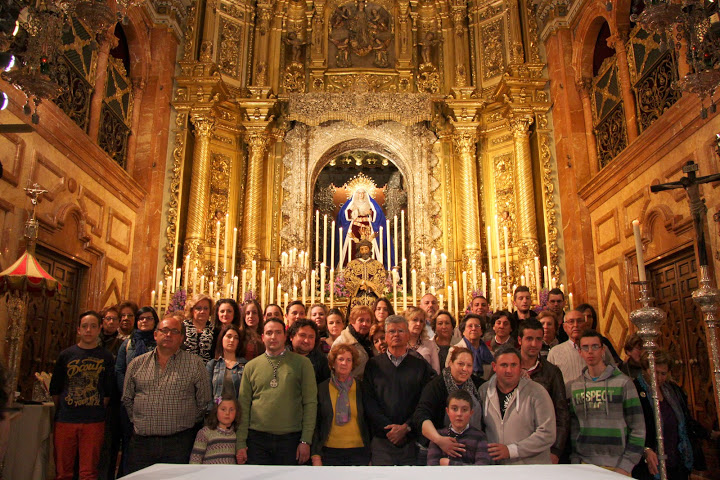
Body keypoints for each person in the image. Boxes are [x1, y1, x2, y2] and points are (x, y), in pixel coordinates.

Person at [122, 315, 212, 473]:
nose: (169, 335)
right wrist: (141, 421)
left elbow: (203, 401)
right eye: (164, 330)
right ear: (155, 334)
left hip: (179, 443)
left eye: (174, 331)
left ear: (182, 338)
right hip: (142, 443)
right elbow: (128, 399)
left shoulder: (195, 364)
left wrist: (186, 420)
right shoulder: (137, 364)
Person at [236, 318, 318, 465]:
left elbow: (310, 403)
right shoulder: (251, 366)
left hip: (291, 439)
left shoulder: (302, 364)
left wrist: (306, 440)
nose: (273, 337)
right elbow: (243, 405)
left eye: (278, 332)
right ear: (262, 337)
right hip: (257, 440)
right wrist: (241, 443)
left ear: (285, 336)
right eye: (269, 333)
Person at [567, 330, 645, 475]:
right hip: (585, 465)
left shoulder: (623, 383)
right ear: (580, 352)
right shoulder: (576, 387)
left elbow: (638, 427)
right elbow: (575, 428)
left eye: (595, 347)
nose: (590, 352)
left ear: (603, 350)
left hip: (618, 465)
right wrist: (575, 461)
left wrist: (626, 465)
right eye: (585, 347)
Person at [362, 315, 435, 465]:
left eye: (401, 331)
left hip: (410, 439)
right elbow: (369, 402)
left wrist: (406, 427)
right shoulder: (373, 365)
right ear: (386, 337)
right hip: (382, 439)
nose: (396, 335)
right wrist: (389, 429)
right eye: (392, 331)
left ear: (408, 335)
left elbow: (423, 401)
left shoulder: (419, 366)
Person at [50, 311, 114, 480]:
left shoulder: (106, 357)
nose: (88, 330)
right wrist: (66, 407)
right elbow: (56, 389)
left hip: (93, 420)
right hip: (66, 419)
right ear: (78, 329)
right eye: (84, 326)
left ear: (100, 329)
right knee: (63, 471)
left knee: (88, 472)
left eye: (93, 326)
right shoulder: (66, 355)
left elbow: (107, 392)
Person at [632, 350, 705, 480]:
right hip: (650, 463)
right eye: (654, 372)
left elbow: (686, 420)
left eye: (663, 373)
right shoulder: (635, 390)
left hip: (676, 461)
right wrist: (646, 449)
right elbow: (630, 426)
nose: (658, 378)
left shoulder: (673, 390)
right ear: (645, 369)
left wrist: (710, 434)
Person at [478, 345, 556, 465]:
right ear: (494, 366)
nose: (509, 370)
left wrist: (512, 450)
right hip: (497, 469)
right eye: (504, 365)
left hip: (532, 469)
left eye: (513, 365)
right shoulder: (484, 391)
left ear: (520, 367)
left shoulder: (537, 392)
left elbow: (547, 433)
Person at [415, 347, 482, 463]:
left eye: (469, 365)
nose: (465, 369)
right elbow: (421, 416)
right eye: (460, 364)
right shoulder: (435, 386)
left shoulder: (476, 384)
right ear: (450, 363)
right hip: (436, 449)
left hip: (468, 448)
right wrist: (439, 440)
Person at [114, 306, 159, 477]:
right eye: (141, 319)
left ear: (155, 321)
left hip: (153, 401)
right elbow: (119, 370)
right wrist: (127, 393)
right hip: (130, 401)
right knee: (129, 443)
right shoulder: (128, 343)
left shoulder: (159, 342)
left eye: (149, 318)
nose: (144, 321)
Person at [517, 319, 569, 464]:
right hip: (512, 444)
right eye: (529, 339)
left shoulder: (552, 372)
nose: (534, 344)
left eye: (538, 339)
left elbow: (562, 413)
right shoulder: (508, 367)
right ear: (520, 340)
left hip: (543, 447)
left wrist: (556, 451)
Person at [311, 344, 371, 466]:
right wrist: (315, 455)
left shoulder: (362, 388)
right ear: (333, 363)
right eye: (341, 359)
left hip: (359, 452)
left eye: (349, 360)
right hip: (329, 452)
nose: (344, 363)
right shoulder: (321, 389)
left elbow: (369, 421)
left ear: (353, 364)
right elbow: (316, 424)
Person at [547, 309, 615, 384]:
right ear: (564, 327)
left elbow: (614, 372)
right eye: (571, 322)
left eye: (579, 321)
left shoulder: (599, 348)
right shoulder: (555, 352)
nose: (576, 325)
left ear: (585, 325)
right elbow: (550, 381)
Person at [427, 390, 492, 466]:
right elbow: (432, 468)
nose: (459, 414)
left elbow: (481, 468)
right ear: (447, 411)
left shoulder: (479, 436)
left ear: (471, 413)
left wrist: (449, 463)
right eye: (454, 409)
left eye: (464, 410)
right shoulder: (438, 436)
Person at [190, 395, 240, 464]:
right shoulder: (205, 433)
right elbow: (195, 459)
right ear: (216, 411)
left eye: (231, 410)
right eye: (223, 409)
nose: (227, 413)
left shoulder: (236, 434)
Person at [447, 314, 493, 380]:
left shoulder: (490, 354)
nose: (474, 328)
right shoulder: (454, 351)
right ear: (463, 331)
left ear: (482, 331)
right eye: (470, 326)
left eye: (477, 326)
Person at [344, 240, 387, 310]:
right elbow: (348, 277)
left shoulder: (377, 265)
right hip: (357, 298)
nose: (364, 251)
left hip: (373, 298)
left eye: (366, 249)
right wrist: (363, 282)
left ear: (369, 250)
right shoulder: (351, 264)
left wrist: (369, 287)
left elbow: (380, 278)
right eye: (362, 249)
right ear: (359, 251)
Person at [207, 324, 246, 402]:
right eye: (229, 336)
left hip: (238, 410)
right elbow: (207, 394)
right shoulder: (212, 365)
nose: (232, 340)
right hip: (217, 410)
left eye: (236, 338)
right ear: (222, 338)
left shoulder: (245, 365)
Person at [333, 305, 374, 378]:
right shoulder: (342, 341)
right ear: (352, 321)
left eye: (368, 321)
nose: (365, 324)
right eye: (361, 320)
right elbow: (333, 368)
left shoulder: (370, 341)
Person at [288, 319, 331, 384]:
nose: (306, 340)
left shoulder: (321, 361)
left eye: (311, 337)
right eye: (302, 335)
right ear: (291, 336)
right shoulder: (282, 356)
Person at [404, 306, 441, 374]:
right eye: (415, 320)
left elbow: (436, 371)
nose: (418, 324)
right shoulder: (400, 343)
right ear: (406, 322)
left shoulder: (430, 344)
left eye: (421, 321)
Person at [184, 294, 216, 363]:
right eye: (198, 308)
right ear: (192, 310)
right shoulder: (182, 328)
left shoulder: (215, 330)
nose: (202, 311)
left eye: (206, 308)